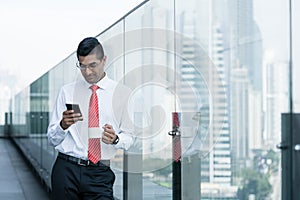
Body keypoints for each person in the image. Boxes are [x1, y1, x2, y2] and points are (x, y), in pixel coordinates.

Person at [47, 37, 134, 200]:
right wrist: (62, 126)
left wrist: (116, 139)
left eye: (92, 65)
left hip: (99, 173)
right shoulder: (67, 91)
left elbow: (130, 138)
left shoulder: (122, 93)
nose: (87, 72)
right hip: (66, 170)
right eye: (82, 66)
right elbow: (52, 139)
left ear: (104, 60)